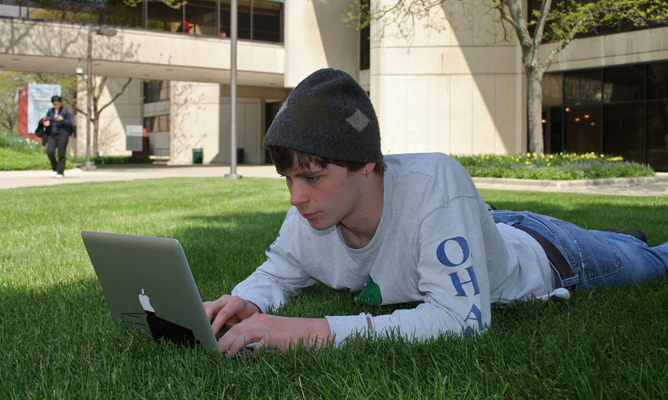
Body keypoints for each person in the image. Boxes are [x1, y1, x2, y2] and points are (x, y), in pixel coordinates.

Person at [204, 68, 668, 357]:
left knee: (652, 261)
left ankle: (619, 241)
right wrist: (248, 299)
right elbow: (281, 270)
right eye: (289, 178)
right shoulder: (310, 212)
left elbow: (460, 321)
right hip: (477, 225)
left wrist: (310, 331)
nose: (295, 198)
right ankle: (615, 235)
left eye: (312, 176)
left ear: (367, 164)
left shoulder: (436, 182)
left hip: (551, 252)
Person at [43, 95, 73, 178]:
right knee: (50, 151)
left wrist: (62, 120)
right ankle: (55, 168)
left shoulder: (65, 111)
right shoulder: (50, 111)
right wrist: (46, 123)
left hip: (63, 134)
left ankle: (60, 171)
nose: (56, 106)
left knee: (61, 153)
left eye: (58, 104)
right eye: (55, 104)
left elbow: (70, 123)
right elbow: (46, 119)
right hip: (52, 134)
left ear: (60, 103)